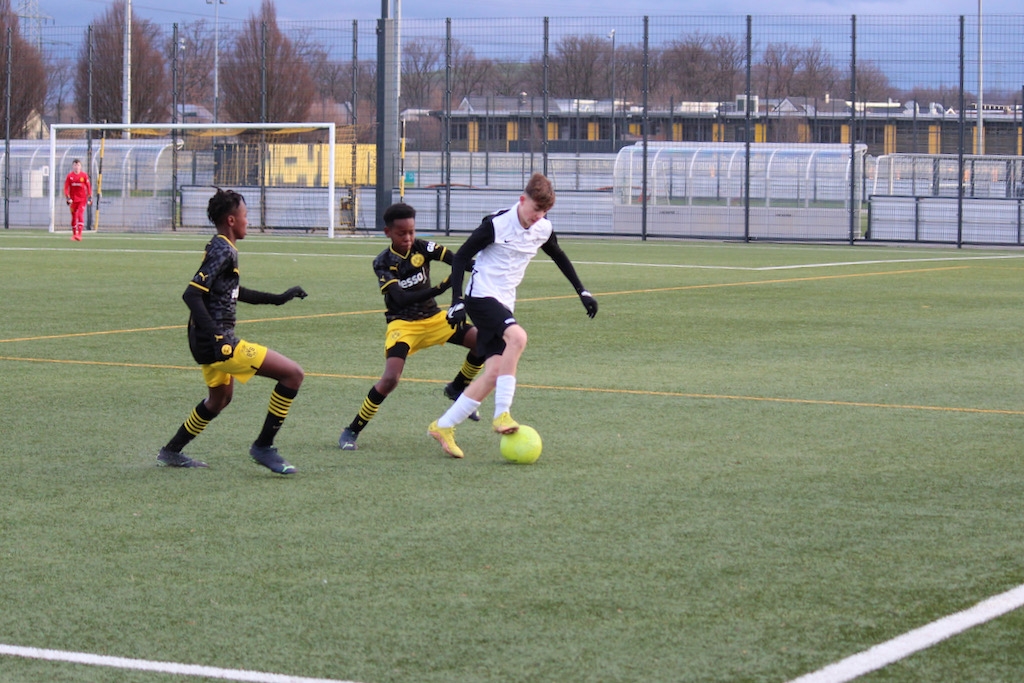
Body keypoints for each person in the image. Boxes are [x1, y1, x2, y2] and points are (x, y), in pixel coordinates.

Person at [428, 172, 598, 458]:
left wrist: (582, 291)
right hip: (481, 296)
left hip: (505, 302)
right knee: (517, 337)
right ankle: (502, 414)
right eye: (535, 210)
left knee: (494, 373)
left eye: (543, 212)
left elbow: (558, 255)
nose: (537, 217)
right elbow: (461, 256)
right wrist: (457, 301)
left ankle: (443, 426)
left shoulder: (543, 228)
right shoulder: (496, 225)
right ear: (522, 200)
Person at [157, 188, 308, 474]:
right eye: (245, 215)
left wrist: (278, 298)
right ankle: (263, 446)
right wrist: (217, 335)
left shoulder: (223, 247)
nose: (248, 221)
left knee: (219, 400)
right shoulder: (223, 249)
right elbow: (192, 294)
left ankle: (171, 451)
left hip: (205, 341)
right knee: (293, 374)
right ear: (231, 220)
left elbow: (234, 292)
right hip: (219, 343)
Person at [338, 202, 483, 451]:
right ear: (388, 232)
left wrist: (483, 263)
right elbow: (401, 298)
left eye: (412, 232)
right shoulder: (383, 262)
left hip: (433, 318)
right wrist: (440, 288)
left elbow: (458, 260)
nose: (408, 238)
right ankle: (352, 429)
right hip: (403, 324)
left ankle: (457, 387)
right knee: (390, 378)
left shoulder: (422, 247)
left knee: (483, 342)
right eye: (401, 233)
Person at [63, 159, 92, 241]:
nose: (77, 167)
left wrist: (90, 197)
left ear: (81, 166)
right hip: (73, 200)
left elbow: (88, 187)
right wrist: (68, 197)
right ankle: (74, 234)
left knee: (80, 214)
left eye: (78, 165)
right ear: (73, 166)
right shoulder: (70, 176)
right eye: (75, 165)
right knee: (74, 217)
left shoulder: (84, 176)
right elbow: (66, 188)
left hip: (82, 199)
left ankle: (79, 234)